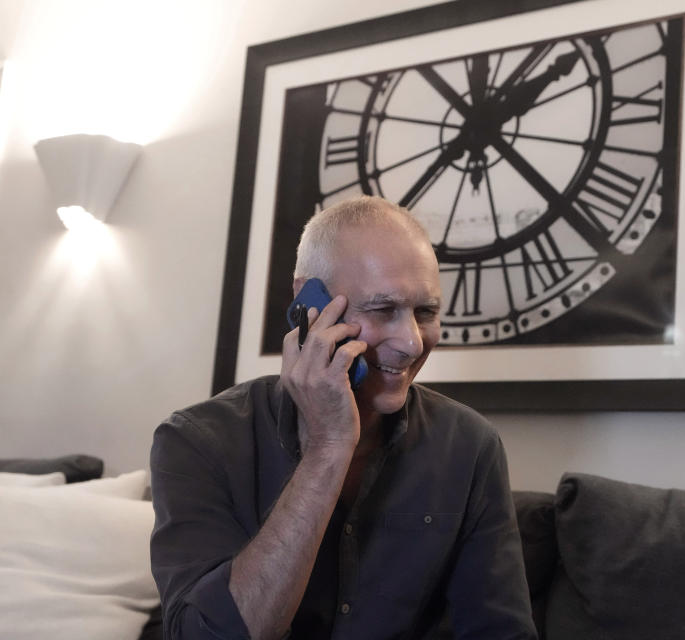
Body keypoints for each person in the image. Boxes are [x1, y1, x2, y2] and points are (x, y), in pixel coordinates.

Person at [149, 196, 536, 640]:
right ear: (307, 302)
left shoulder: (469, 445)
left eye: (425, 312)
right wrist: (328, 449)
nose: (412, 343)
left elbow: (500, 632)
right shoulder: (195, 442)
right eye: (382, 309)